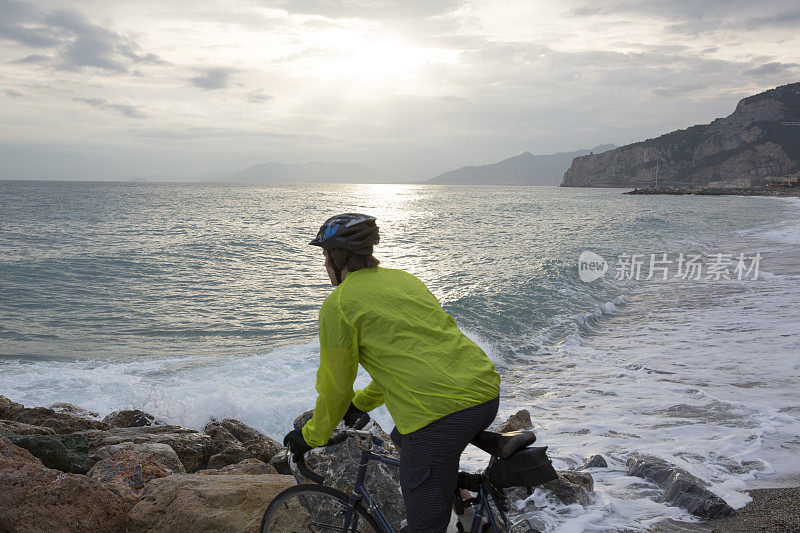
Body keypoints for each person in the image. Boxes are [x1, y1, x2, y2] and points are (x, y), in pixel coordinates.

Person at [283, 213, 501, 533]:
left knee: (422, 514)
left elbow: (335, 388)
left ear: (336, 258)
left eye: (325, 256)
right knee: (402, 439)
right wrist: (361, 404)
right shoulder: (405, 279)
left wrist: (310, 436)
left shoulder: (339, 304)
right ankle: (463, 500)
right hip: (484, 392)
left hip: (439, 416)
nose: (324, 264)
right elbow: (407, 360)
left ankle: (438, 501)